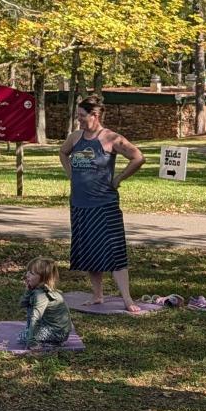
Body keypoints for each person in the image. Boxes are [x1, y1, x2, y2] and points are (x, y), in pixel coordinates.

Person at [59, 94, 145, 313]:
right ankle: (97, 295)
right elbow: (62, 152)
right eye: (77, 116)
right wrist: (71, 174)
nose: (78, 120)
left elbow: (138, 157)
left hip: (104, 204)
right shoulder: (75, 137)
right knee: (89, 250)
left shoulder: (111, 138)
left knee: (114, 251)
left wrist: (118, 179)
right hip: (79, 203)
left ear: (94, 115)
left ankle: (127, 299)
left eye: (81, 116)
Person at [18, 256, 73, 350]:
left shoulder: (41, 295)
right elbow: (22, 304)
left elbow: (36, 317)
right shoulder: (38, 289)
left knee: (22, 337)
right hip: (56, 330)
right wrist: (28, 290)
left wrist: (32, 341)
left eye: (31, 273)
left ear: (42, 278)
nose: (27, 275)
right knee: (26, 331)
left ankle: (52, 343)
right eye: (28, 271)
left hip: (57, 333)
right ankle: (47, 340)